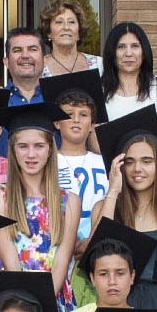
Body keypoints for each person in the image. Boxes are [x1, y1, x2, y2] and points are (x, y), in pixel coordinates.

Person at [91, 112, 157, 312]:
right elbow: (95, 253)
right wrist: (113, 189)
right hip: (120, 309)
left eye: (147, 161)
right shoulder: (105, 208)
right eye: (129, 162)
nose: (137, 168)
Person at [0, 103, 79, 311]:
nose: (31, 154)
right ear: (13, 150)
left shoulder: (70, 201)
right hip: (13, 301)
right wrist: (27, 309)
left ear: (49, 150)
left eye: (39, 146)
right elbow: (9, 261)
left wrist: (42, 306)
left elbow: (62, 261)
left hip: (55, 302)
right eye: (23, 146)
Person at [43, 71, 110, 240]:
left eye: (83, 114)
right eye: (69, 114)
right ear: (57, 123)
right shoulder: (46, 162)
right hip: (56, 239)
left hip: (97, 240)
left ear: (92, 125)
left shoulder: (105, 163)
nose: (76, 120)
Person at [101, 21, 157, 119]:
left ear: (144, 52)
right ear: (112, 53)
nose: (128, 53)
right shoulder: (100, 92)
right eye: (121, 47)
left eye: (135, 46)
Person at [40, 0, 99, 75]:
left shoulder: (100, 65)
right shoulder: (38, 67)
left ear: (79, 30)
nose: (66, 27)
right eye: (59, 22)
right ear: (48, 32)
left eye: (71, 22)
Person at [1, 25, 46, 111]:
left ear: (45, 60)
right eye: (17, 50)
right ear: (6, 62)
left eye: (32, 49)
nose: (25, 56)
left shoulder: (58, 100)